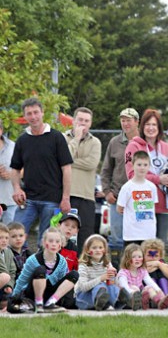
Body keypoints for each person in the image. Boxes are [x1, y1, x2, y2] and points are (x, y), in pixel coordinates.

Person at [11, 98, 73, 244]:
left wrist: (66, 198)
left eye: (36, 112)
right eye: (29, 114)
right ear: (24, 116)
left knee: (46, 242)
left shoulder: (56, 137)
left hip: (52, 199)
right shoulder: (22, 140)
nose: (33, 117)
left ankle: (43, 267)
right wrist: (16, 188)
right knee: (14, 236)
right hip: (28, 199)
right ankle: (18, 266)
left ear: (42, 113)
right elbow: (15, 168)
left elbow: (67, 169)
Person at [124, 109, 168, 243]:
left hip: (164, 205)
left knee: (158, 247)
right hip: (143, 205)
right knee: (142, 247)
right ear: (142, 127)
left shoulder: (167, 148)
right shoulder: (133, 146)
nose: (151, 128)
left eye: (154, 125)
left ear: (159, 128)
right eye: (147, 124)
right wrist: (160, 179)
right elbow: (131, 175)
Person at [101, 107, 139, 266]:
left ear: (137, 122)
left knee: (137, 238)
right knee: (116, 238)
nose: (125, 123)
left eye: (129, 120)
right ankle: (115, 272)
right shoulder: (114, 142)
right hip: (117, 198)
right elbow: (106, 169)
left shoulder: (144, 142)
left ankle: (135, 273)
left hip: (139, 199)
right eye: (123, 120)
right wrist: (107, 191)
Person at [12, 227, 78, 313]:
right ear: (44, 242)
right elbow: (22, 281)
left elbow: (62, 283)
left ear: (61, 244)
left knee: (74, 274)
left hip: (49, 295)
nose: (54, 244)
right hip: (33, 293)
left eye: (57, 242)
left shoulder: (62, 262)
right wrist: (13, 299)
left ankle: (51, 303)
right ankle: (38, 304)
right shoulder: (32, 260)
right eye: (50, 241)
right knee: (41, 270)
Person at [63, 107, 101, 251]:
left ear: (90, 123)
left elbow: (92, 163)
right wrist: (76, 139)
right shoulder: (62, 138)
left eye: (86, 121)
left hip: (86, 196)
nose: (83, 124)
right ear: (73, 121)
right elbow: (60, 158)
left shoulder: (95, 142)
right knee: (63, 234)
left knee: (85, 236)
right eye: (80, 120)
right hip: (65, 195)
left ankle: (82, 269)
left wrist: (67, 161)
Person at [117, 151, 159, 248]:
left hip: (149, 233)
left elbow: (153, 206)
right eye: (139, 164)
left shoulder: (152, 187)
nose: (142, 167)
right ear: (133, 165)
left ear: (149, 166)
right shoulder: (127, 187)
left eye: (145, 165)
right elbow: (119, 209)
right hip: (131, 234)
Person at [117, 243, 168, 310]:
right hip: (127, 298)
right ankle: (138, 302)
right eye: (134, 257)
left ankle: (160, 302)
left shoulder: (142, 270)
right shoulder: (123, 272)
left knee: (149, 288)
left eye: (139, 257)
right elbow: (124, 287)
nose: (137, 259)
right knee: (135, 288)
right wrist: (133, 293)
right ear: (127, 258)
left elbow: (150, 281)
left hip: (139, 294)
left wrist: (159, 290)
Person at [74, 234, 120, 310]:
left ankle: (121, 300)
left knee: (112, 286)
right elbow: (82, 287)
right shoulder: (83, 265)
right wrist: (101, 278)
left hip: (104, 294)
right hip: (84, 298)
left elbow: (113, 284)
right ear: (88, 250)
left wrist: (114, 277)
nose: (98, 250)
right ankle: (104, 302)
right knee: (101, 285)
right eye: (94, 248)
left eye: (100, 247)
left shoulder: (107, 264)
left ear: (104, 250)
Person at [0, 119, 17, 223]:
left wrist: (11, 175)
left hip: (10, 202)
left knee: (10, 236)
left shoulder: (13, 146)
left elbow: (24, 169)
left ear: (1, 130)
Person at [0, 223, 17, 306]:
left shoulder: (8, 252)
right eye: (0, 238)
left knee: (7, 303)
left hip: (3, 285)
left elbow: (12, 271)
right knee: (4, 276)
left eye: (6, 238)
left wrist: (9, 285)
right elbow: (3, 271)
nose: (4, 240)